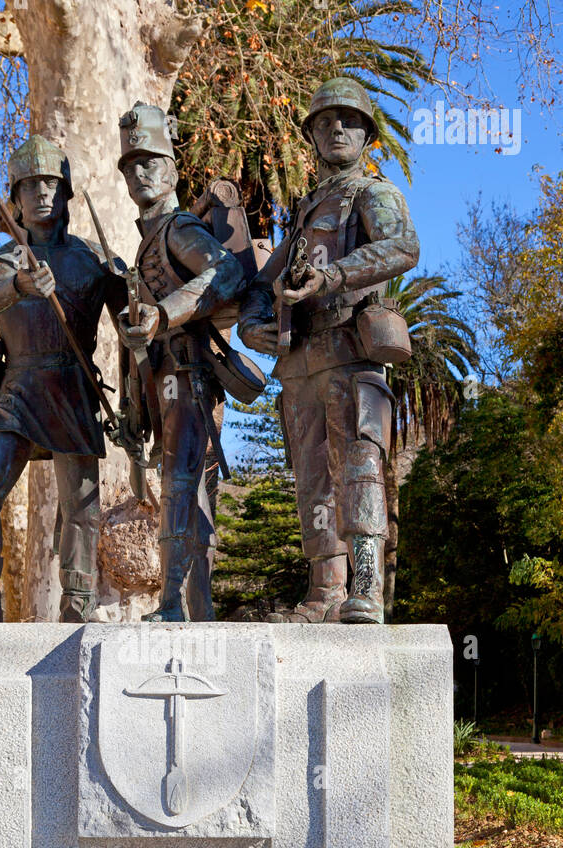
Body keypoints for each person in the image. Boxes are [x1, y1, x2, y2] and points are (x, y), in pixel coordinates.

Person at [238, 77, 419, 624]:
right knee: (312, 477)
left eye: (348, 120)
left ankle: (365, 589)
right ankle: (325, 593)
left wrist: (331, 275)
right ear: (311, 136)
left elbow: (404, 247)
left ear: (367, 133)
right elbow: (259, 282)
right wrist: (251, 326)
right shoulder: (301, 212)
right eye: (323, 121)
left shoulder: (374, 192)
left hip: (350, 354)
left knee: (359, 469)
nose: (335, 128)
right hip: (299, 368)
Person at [0, 135, 126, 622]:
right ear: (15, 198)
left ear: (66, 194)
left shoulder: (95, 259)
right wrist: (15, 287)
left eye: (51, 184)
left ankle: (80, 602)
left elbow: (134, 327)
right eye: (30, 186)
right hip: (19, 389)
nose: (42, 193)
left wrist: (134, 310)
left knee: (83, 508)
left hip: (73, 388)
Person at [116, 103, 246, 622]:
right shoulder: (147, 241)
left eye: (150, 162)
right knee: (186, 486)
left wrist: (162, 315)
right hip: (162, 378)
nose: (140, 174)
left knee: (181, 484)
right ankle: (191, 605)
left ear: (171, 168)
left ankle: (175, 605)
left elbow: (227, 274)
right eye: (131, 166)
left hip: (189, 375)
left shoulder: (178, 229)